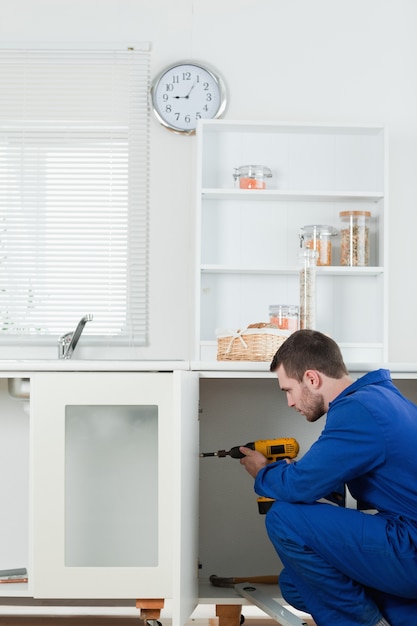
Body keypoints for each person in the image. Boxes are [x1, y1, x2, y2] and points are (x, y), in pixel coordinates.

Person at [239, 329, 417, 626]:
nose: (290, 402)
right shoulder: (380, 397)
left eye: (288, 390)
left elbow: (299, 485)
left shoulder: (358, 411)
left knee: (282, 518)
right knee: (295, 583)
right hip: (405, 540)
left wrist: (263, 471)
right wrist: (305, 475)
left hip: (410, 546)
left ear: (312, 378)